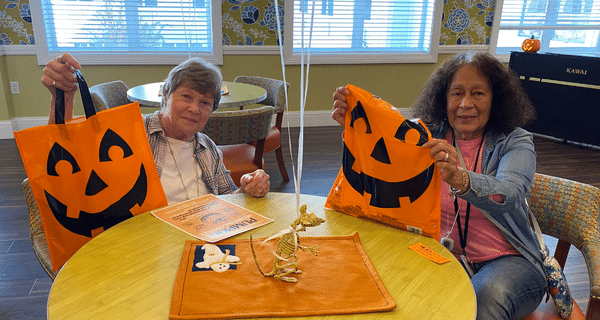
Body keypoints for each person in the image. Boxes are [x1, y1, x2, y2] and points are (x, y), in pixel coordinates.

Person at [332, 51, 546, 320]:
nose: (465, 104)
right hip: (435, 253)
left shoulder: (515, 141)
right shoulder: (427, 135)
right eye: (456, 93)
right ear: (443, 98)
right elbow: (382, 165)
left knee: (483, 299)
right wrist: (356, 125)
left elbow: (512, 194)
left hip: (506, 261)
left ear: (496, 99)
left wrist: (462, 179)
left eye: (478, 93)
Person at [42, 53, 270, 204]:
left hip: (203, 240)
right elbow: (65, 157)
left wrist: (246, 189)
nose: (194, 109)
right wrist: (62, 98)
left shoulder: (206, 147)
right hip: (147, 244)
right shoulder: (131, 132)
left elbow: (228, 201)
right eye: (186, 96)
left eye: (205, 103)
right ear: (166, 96)